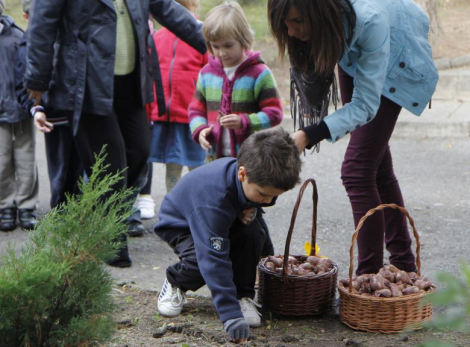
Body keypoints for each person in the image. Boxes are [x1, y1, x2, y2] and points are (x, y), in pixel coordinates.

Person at [24, 0, 207, 267]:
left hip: (131, 82)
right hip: (86, 83)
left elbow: (167, 8)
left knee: (140, 152)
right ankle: (111, 240)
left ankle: (101, 216)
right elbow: (42, 22)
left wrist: (213, 42)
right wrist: (37, 79)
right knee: (110, 163)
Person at [267, 0, 439, 275]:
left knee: (357, 170)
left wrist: (308, 135)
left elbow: (364, 107)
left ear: (318, 12)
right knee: (377, 166)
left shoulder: (369, 20)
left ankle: (367, 276)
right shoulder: (330, 25)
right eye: (285, 24)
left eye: (297, 22)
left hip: (394, 54)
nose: (289, 32)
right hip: (349, 42)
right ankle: (404, 264)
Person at [154, 127, 302, 343]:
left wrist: (266, 255)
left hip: (221, 217)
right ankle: (175, 281)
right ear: (242, 173)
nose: (268, 201)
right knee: (200, 261)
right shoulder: (214, 199)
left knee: (251, 231)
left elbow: (258, 222)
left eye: (274, 197)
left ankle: (242, 294)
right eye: (263, 195)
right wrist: (230, 316)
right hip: (181, 222)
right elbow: (213, 259)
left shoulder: (253, 180)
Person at [137, 0, 208, 219]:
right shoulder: (157, 37)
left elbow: (210, 71)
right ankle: (176, 206)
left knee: (198, 164)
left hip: (192, 115)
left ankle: (202, 204)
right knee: (173, 162)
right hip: (166, 114)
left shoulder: (202, 33)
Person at [188, 1, 284, 163]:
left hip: (250, 159)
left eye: (228, 45)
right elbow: (195, 111)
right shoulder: (206, 74)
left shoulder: (259, 74)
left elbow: (274, 113)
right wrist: (200, 130)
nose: (222, 52)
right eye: (215, 46)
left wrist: (244, 121)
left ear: (243, 39)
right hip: (214, 158)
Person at [15, 0, 83, 210]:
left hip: (84, 113)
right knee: (62, 173)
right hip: (54, 118)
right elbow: (22, 85)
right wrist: (36, 109)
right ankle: (62, 218)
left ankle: (88, 219)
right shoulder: (27, 45)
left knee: (88, 169)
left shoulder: (71, 37)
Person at [0, 0, 38, 232]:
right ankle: (6, 204)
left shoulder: (15, 37)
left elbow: (28, 71)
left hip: (20, 108)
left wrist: (31, 105)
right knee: (2, 160)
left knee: (25, 158)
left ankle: (26, 205)